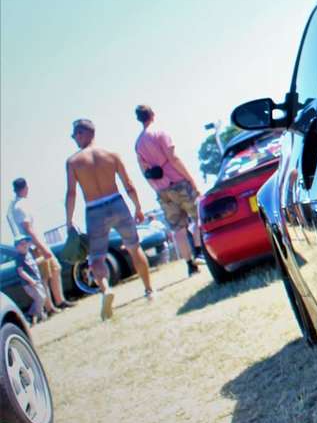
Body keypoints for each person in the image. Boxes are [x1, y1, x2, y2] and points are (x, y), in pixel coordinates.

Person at [64, 118, 155, 320]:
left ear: (82, 134)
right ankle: (149, 290)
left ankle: (106, 290)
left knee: (96, 257)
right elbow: (128, 184)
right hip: (117, 203)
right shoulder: (112, 154)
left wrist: (69, 221)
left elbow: (71, 194)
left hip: (94, 210)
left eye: (74, 135)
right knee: (134, 247)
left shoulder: (73, 162)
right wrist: (138, 207)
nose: (74, 139)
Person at [133, 105, 204, 276]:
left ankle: (190, 265)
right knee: (198, 216)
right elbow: (173, 158)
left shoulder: (138, 144)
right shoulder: (160, 133)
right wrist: (191, 179)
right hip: (178, 182)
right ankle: (198, 251)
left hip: (162, 189)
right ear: (153, 114)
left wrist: (156, 188)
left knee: (178, 229)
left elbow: (144, 172)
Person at [7, 177, 74, 311]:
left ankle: (60, 301)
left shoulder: (22, 204)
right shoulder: (19, 207)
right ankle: (50, 307)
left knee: (55, 269)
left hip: (40, 242)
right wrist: (41, 247)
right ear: (25, 187)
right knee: (44, 277)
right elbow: (28, 228)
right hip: (34, 246)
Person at [14, 238, 49, 324]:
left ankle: (32, 315)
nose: (25, 245)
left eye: (26, 243)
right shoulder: (19, 258)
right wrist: (30, 280)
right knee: (40, 298)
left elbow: (33, 263)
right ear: (17, 248)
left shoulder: (28, 254)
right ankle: (37, 315)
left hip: (36, 280)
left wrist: (43, 258)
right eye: (22, 244)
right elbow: (21, 272)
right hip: (28, 283)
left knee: (42, 297)